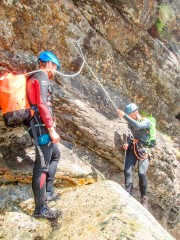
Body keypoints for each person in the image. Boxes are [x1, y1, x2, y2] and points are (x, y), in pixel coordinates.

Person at [27, 51, 61, 219]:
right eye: (55, 67)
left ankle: (48, 192)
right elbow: (41, 103)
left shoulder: (34, 76)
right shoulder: (42, 76)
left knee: (56, 153)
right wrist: (51, 128)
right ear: (48, 64)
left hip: (39, 126)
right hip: (41, 127)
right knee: (41, 166)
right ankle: (40, 209)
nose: (55, 71)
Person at [117, 103, 151, 208]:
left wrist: (124, 116)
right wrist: (127, 144)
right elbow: (131, 135)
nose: (130, 117)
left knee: (141, 173)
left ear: (136, 112)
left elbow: (138, 126)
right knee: (127, 170)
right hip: (133, 148)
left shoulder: (146, 121)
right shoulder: (130, 124)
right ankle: (128, 194)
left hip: (144, 150)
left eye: (131, 115)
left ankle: (144, 199)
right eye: (129, 115)